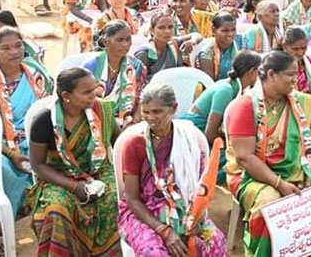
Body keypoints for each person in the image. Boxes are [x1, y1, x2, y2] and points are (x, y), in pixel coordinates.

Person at [224, 51, 311, 256]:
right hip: (251, 176)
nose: (296, 80)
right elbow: (244, 157)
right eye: (291, 75)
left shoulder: (303, 102)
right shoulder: (244, 106)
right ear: (271, 75)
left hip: (300, 167)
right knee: (270, 205)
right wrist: (279, 184)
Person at [118, 83, 226, 256]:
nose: (151, 117)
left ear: (174, 108)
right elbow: (132, 199)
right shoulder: (135, 144)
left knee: (214, 243)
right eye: (146, 112)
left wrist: (195, 219)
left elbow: (199, 189)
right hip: (144, 211)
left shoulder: (189, 139)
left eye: (157, 112)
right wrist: (164, 230)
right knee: (154, 252)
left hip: (185, 207)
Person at [29, 67, 121, 255]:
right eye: (86, 92)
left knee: (115, 198)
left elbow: (120, 145)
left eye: (94, 89)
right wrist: (73, 186)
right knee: (58, 210)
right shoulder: (45, 120)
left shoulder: (103, 110)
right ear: (66, 96)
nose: (93, 95)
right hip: (60, 174)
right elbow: (38, 164)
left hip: (99, 170)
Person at [0, 26, 53, 214]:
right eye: (6, 48)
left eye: (18, 46)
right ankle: (3, 218)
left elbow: (50, 110)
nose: (14, 52)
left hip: (37, 139)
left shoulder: (36, 74)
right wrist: (11, 153)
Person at [181, 51, 261, 182]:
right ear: (252, 72)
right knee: (236, 159)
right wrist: (231, 146)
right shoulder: (225, 90)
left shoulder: (239, 89)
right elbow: (210, 134)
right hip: (194, 136)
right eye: (260, 71)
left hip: (206, 135)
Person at [83, 20, 148, 126]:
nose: (125, 44)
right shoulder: (91, 66)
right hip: (94, 120)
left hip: (126, 120)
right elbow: (81, 98)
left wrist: (134, 123)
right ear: (105, 42)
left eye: (128, 39)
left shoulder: (136, 66)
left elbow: (141, 98)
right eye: (120, 40)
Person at [134, 11, 200, 80]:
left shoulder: (174, 44)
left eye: (170, 27)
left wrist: (192, 41)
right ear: (152, 30)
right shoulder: (145, 53)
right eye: (161, 28)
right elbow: (136, 80)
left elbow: (196, 35)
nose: (167, 31)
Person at [196, 12, 247, 80]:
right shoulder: (207, 53)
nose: (230, 34)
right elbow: (209, 83)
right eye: (225, 31)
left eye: (233, 30)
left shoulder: (241, 43)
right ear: (213, 30)